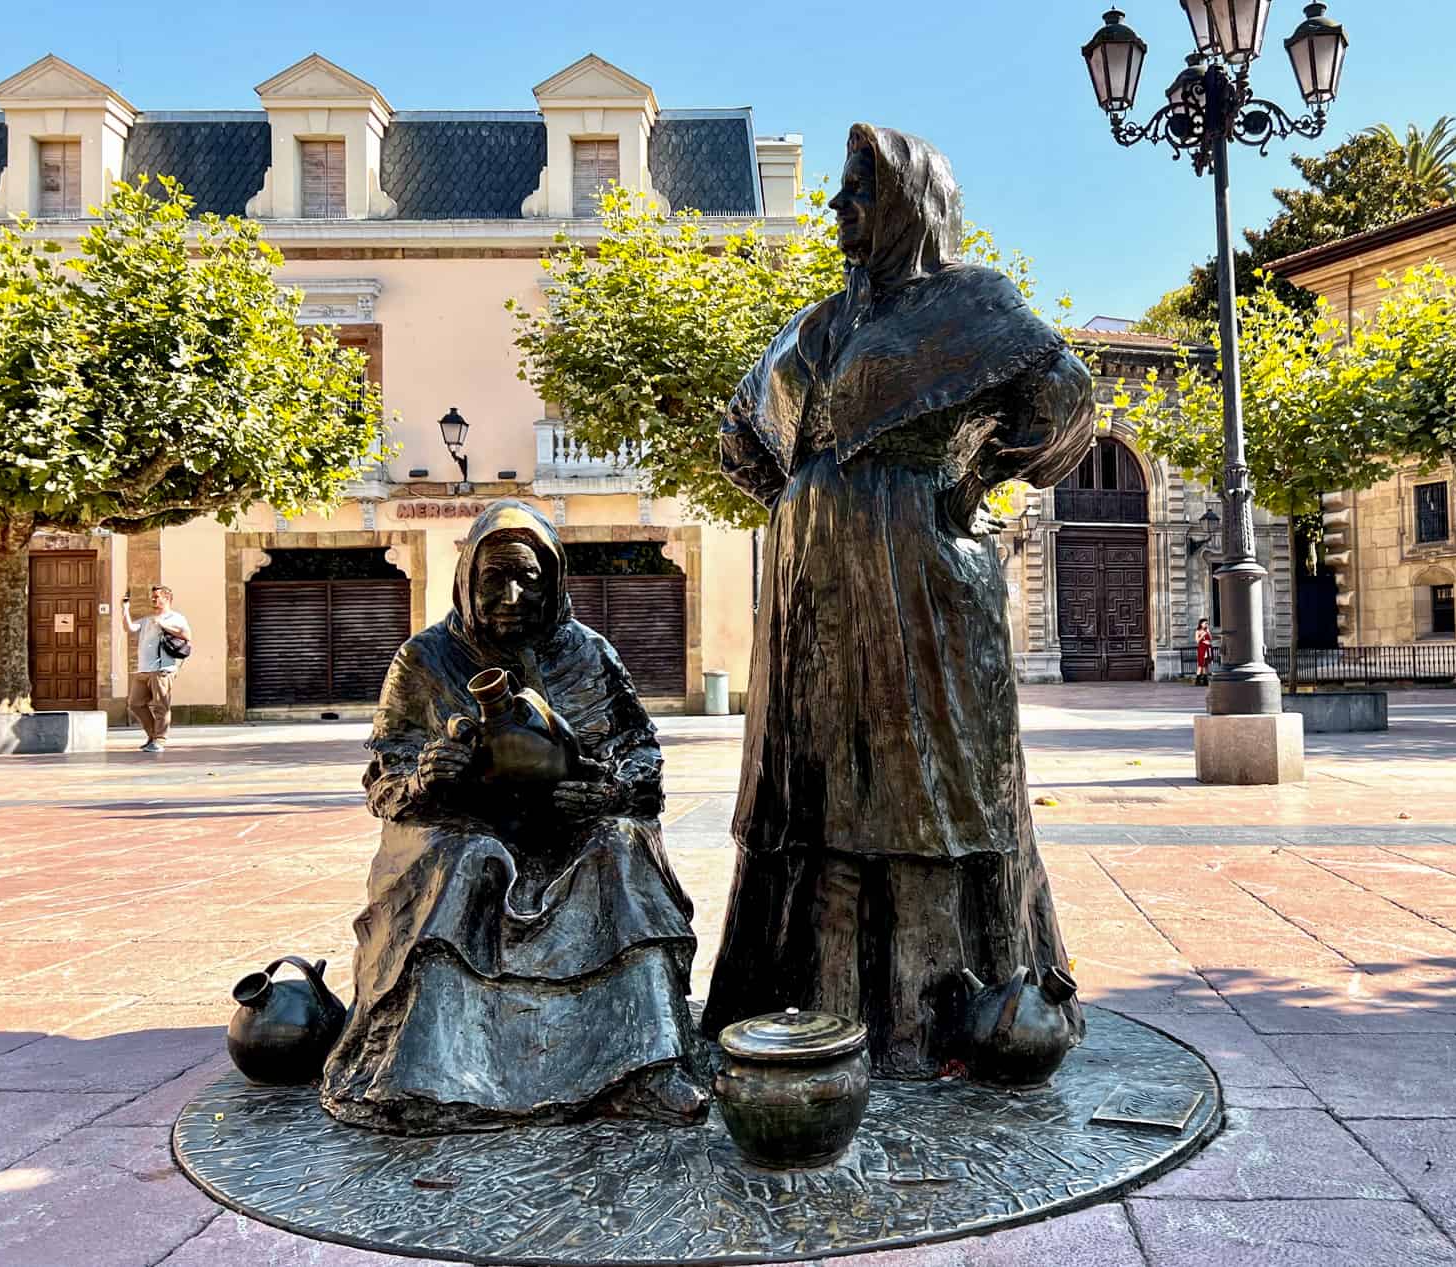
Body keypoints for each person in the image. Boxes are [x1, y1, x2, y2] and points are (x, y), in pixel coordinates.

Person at [701, 124, 1093, 1078]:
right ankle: (800, 994)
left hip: (918, 572)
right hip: (809, 576)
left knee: (924, 781)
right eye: (838, 193)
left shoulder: (973, 303)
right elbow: (742, 433)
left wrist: (967, 484)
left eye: (859, 192)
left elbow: (1068, 402)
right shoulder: (817, 322)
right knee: (813, 780)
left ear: (911, 203)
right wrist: (803, 503)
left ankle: (933, 1009)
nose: (839, 209)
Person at [320, 500, 708, 1133]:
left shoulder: (590, 654)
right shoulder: (425, 660)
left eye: (530, 577)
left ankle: (646, 1064)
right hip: (464, 829)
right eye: (494, 578)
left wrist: (609, 791)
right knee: (463, 861)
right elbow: (384, 779)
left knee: (622, 847)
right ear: (467, 581)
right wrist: (423, 775)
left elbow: (641, 754)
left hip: (570, 832)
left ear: (554, 582)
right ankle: (428, 1074)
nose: (513, 594)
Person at [122, 586, 190, 753]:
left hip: (162, 668)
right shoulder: (147, 619)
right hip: (143, 669)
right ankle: (152, 735)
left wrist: (163, 625)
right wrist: (125, 610)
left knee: (161, 706)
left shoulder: (176, 617)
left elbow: (186, 635)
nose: (153, 600)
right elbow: (129, 628)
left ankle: (160, 739)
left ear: (166, 599)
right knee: (135, 703)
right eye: (152, 597)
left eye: (156, 597)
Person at [1195, 617, 1213, 685]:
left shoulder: (1207, 630)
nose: (1206, 624)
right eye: (1205, 623)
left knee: (1206, 665)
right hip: (1202, 648)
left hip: (1208, 648)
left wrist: (1208, 632)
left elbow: (1211, 639)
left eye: (1207, 623)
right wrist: (1202, 635)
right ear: (1201, 624)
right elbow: (1197, 641)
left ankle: (1205, 681)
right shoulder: (1198, 631)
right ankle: (1198, 681)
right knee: (1201, 664)